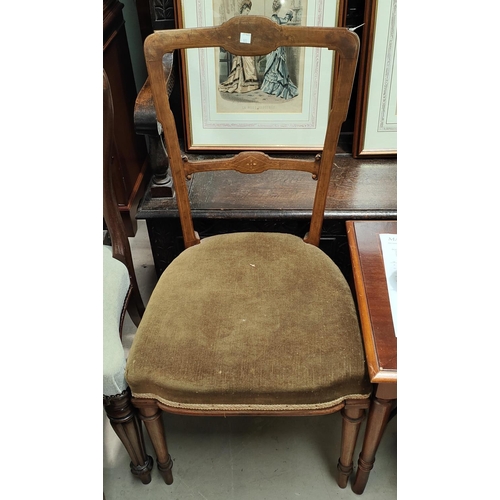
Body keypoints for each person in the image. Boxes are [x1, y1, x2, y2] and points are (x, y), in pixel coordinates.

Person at [218, 2, 259, 94]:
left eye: (249, 11)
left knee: (250, 58)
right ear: (243, 9)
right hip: (240, 44)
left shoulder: (247, 20)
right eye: (247, 10)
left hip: (246, 43)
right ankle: (242, 84)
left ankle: (250, 84)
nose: (248, 13)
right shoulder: (237, 20)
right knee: (244, 57)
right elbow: (235, 34)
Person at [260, 0, 299, 100]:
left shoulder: (273, 18)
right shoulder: (275, 19)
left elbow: (284, 21)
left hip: (274, 47)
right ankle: (274, 88)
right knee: (275, 66)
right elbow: (284, 22)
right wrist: (290, 11)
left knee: (274, 67)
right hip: (276, 48)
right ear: (279, 8)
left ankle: (270, 88)